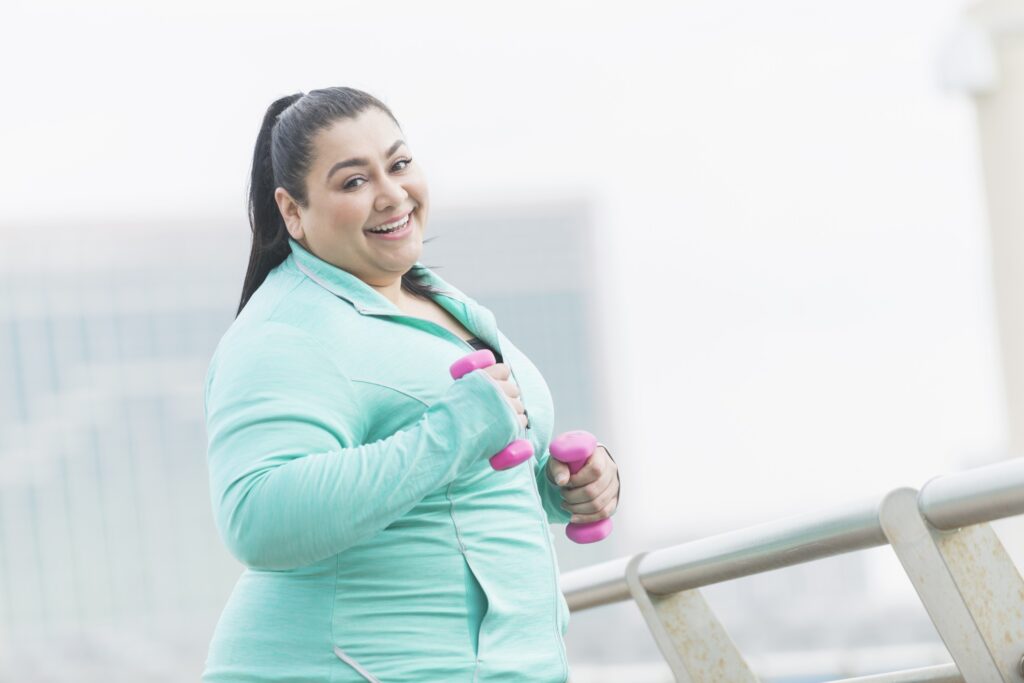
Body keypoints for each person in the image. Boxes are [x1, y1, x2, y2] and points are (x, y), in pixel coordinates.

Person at [202, 86, 621, 682]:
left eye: (398, 165)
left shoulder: (436, 301)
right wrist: (453, 431)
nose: (392, 194)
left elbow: (456, 483)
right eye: (353, 182)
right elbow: (258, 517)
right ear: (292, 212)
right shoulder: (283, 332)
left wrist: (563, 486)